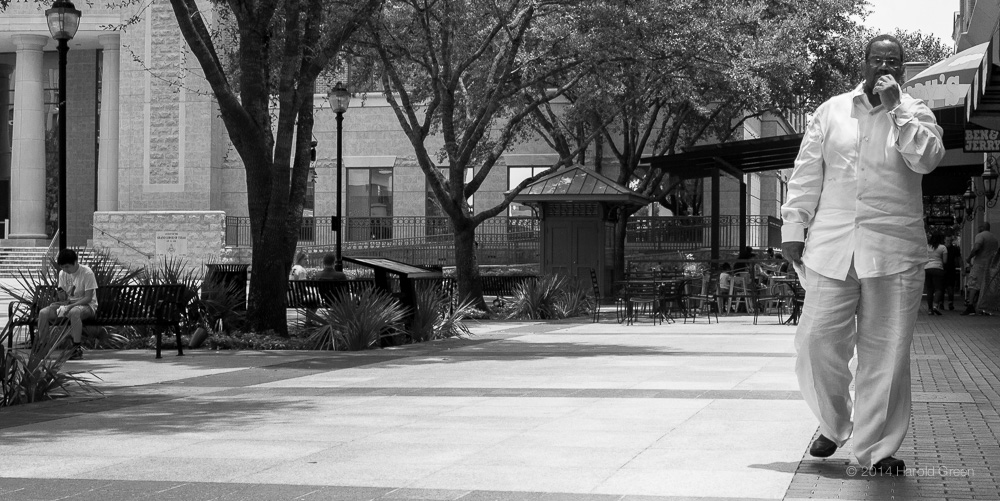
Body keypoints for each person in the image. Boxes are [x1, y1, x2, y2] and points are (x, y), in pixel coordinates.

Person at [780, 34, 945, 475]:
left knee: (886, 355)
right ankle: (833, 426)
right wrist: (793, 226)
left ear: (904, 69)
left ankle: (876, 448)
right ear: (865, 64)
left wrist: (899, 111)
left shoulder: (918, 113)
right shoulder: (830, 111)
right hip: (832, 248)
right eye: (878, 59)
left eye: (894, 61)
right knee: (815, 343)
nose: (885, 66)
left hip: (895, 251)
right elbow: (806, 172)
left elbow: (927, 160)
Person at [37, 249, 99, 360]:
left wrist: (70, 306)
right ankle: (43, 348)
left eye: (67, 267)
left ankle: (76, 348)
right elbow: (65, 298)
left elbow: (88, 298)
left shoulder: (87, 273)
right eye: (63, 267)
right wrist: (61, 295)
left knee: (74, 312)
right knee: (43, 313)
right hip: (68, 303)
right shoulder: (62, 273)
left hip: (87, 306)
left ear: (75, 262)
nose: (65, 270)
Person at [962, 222, 1000, 315]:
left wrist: (969, 257)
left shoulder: (980, 235)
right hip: (991, 265)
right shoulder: (995, 238)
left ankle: (970, 306)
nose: (978, 229)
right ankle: (985, 308)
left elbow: (976, 247)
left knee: (973, 284)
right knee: (987, 286)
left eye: (979, 227)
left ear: (982, 228)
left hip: (980, 263)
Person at [924, 233, 947, 316]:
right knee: (938, 289)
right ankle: (935, 305)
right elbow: (945, 261)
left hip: (927, 268)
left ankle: (930, 309)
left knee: (929, 289)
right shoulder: (942, 247)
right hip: (938, 268)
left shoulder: (926, 247)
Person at [944, 236, 962, 310]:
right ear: (945, 240)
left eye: (950, 240)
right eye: (947, 240)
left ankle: (950, 303)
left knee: (950, 287)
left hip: (951, 269)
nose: (949, 242)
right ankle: (941, 303)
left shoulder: (954, 249)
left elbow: (959, 258)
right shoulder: (942, 248)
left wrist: (962, 268)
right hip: (943, 269)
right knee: (942, 287)